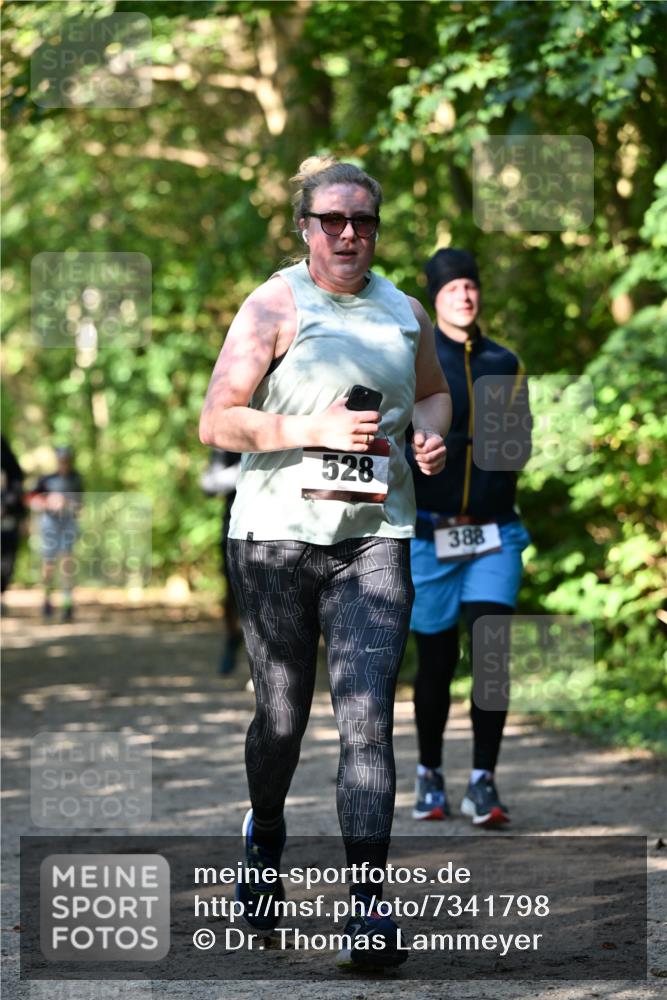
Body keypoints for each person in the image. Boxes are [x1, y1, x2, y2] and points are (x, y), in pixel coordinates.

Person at [199, 155, 451, 969]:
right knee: (281, 719)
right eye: (332, 220)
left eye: (363, 221)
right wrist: (310, 432)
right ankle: (264, 833)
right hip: (275, 538)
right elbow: (218, 422)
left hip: (374, 541)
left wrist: (430, 433)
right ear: (305, 227)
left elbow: (435, 391)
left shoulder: (405, 310)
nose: (348, 234)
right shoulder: (274, 303)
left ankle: (369, 913)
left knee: (367, 724)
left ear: (376, 227)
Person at [408, 248, 531, 829]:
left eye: (471, 286)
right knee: (434, 662)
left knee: (491, 653)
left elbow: (515, 449)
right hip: (429, 538)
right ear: (434, 296)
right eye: (453, 287)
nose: (464, 294)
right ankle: (429, 772)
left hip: (494, 534)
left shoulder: (504, 362)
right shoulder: (415, 359)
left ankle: (483, 780)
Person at [200, 447, 244, 674]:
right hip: (235, 528)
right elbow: (208, 484)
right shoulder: (231, 441)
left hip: (290, 530)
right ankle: (231, 639)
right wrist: (250, 468)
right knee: (233, 594)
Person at [29, 445, 83, 622]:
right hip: (50, 523)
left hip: (68, 522)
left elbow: (81, 505)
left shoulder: (76, 479)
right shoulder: (46, 479)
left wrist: (67, 504)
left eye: (66, 460)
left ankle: (67, 602)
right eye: (61, 460)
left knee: (67, 561)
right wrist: (47, 502)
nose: (64, 463)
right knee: (49, 562)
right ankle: (47, 599)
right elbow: (32, 499)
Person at [1, 435, 26, 606]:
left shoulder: (2, 445)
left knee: (6, 557)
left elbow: (17, 477)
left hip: (6, 516)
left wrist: (7, 506)